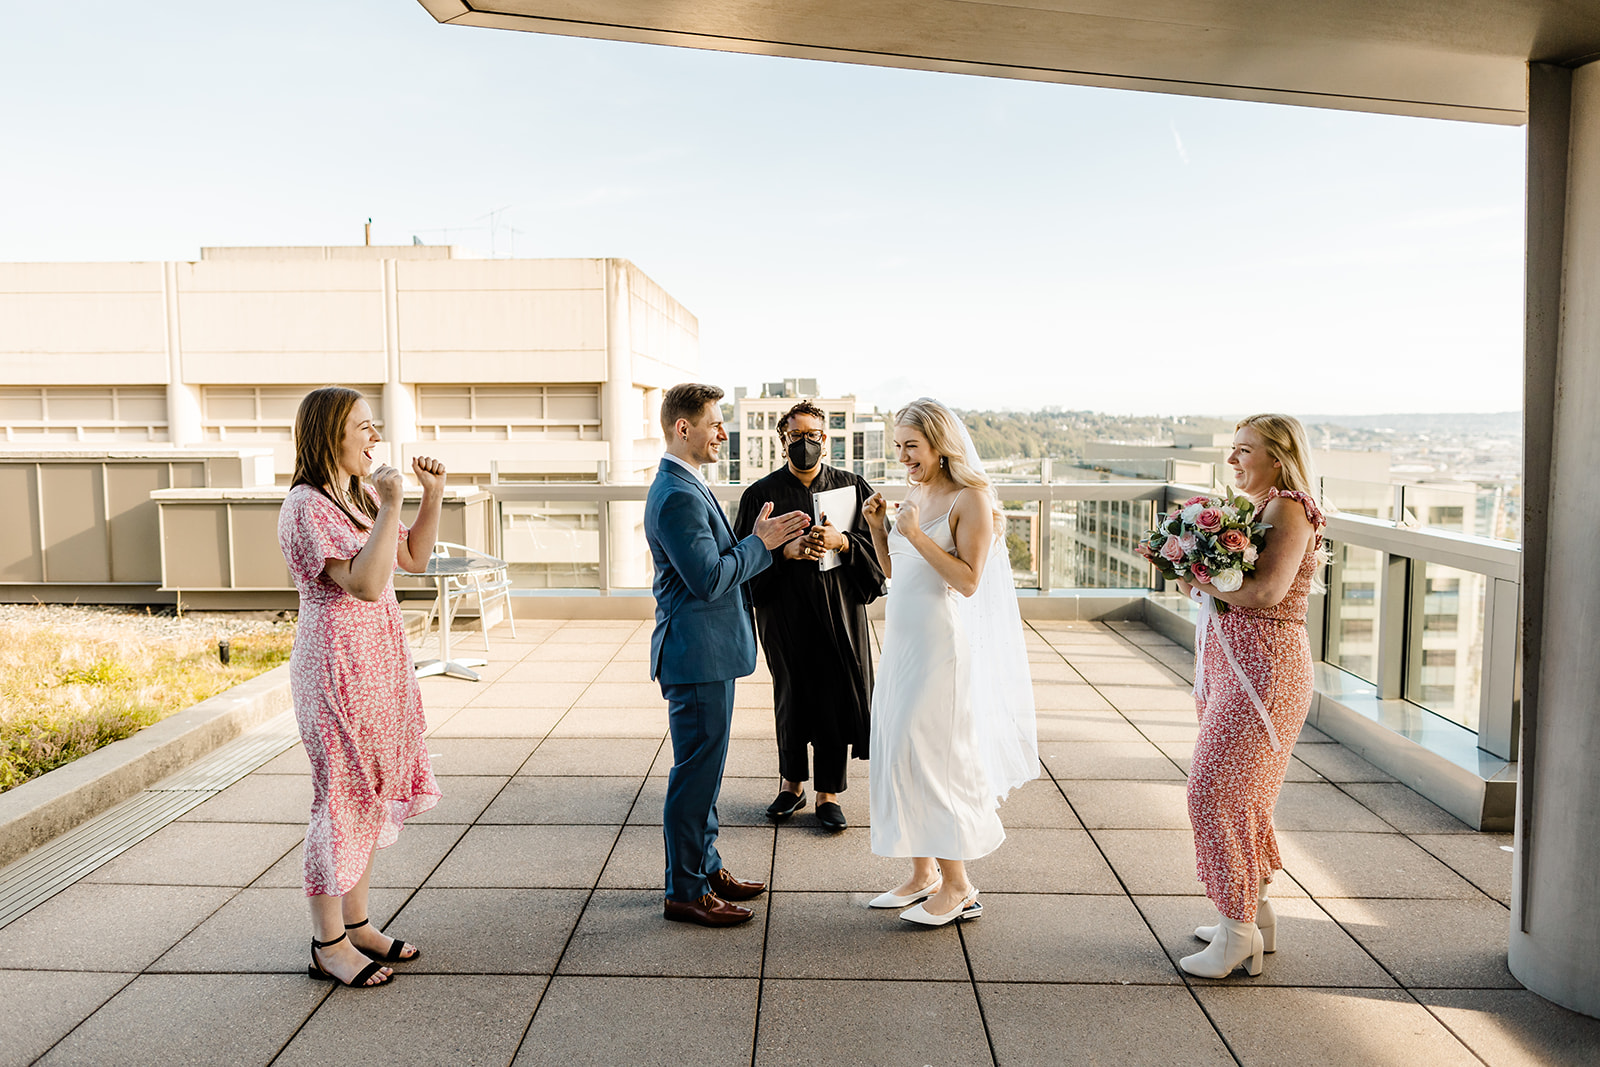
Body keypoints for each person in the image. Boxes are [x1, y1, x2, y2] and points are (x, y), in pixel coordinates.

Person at [277, 386, 446, 989]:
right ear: (331, 434)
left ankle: (359, 924)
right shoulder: (306, 506)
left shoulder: (353, 495)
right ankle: (328, 943)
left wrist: (429, 497)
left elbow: (413, 559)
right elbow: (367, 583)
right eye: (365, 428)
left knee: (370, 794)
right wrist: (392, 502)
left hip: (378, 665)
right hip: (338, 672)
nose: (376, 438)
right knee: (339, 800)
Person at [861, 398, 1038, 926]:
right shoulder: (916, 492)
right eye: (898, 447)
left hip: (940, 644)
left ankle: (959, 885)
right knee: (897, 751)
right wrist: (878, 529)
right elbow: (900, 571)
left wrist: (913, 531)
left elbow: (965, 581)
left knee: (934, 756)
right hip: (902, 640)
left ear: (939, 444)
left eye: (911, 446)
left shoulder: (971, 499)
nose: (903, 457)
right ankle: (922, 875)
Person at [646, 383, 813, 927]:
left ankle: (706, 866)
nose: (724, 432)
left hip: (708, 652)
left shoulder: (689, 483)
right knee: (694, 775)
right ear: (683, 428)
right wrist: (759, 543)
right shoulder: (675, 493)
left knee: (707, 771)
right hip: (697, 656)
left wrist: (768, 547)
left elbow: (719, 562)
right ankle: (686, 892)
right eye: (715, 422)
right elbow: (711, 578)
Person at [1175, 413, 1327, 979]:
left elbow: (1264, 592)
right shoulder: (1259, 510)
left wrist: (1195, 577)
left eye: (1244, 450)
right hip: (1233, 664)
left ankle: (1238, 932)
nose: (1233, 460)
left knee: (1212, 792)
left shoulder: (1287, 506)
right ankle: (1253, 915)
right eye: (1231, 449)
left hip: (1264, 672)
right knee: (1243, 796)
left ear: (1279, 456)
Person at [734, 401, 885, 832]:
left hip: (841, 609)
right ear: (783, 440)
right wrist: (784, 552)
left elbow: (878, 553)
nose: (806, 444)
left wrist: (842, 541)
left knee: (836, 696)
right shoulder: (760, 495)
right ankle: (791, 784)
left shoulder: (852, 487)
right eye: (796, 436)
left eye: (814, 435)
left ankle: (828, 793)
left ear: (826, 439)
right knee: (791, 694)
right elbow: (740, 564)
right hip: (785, 612)